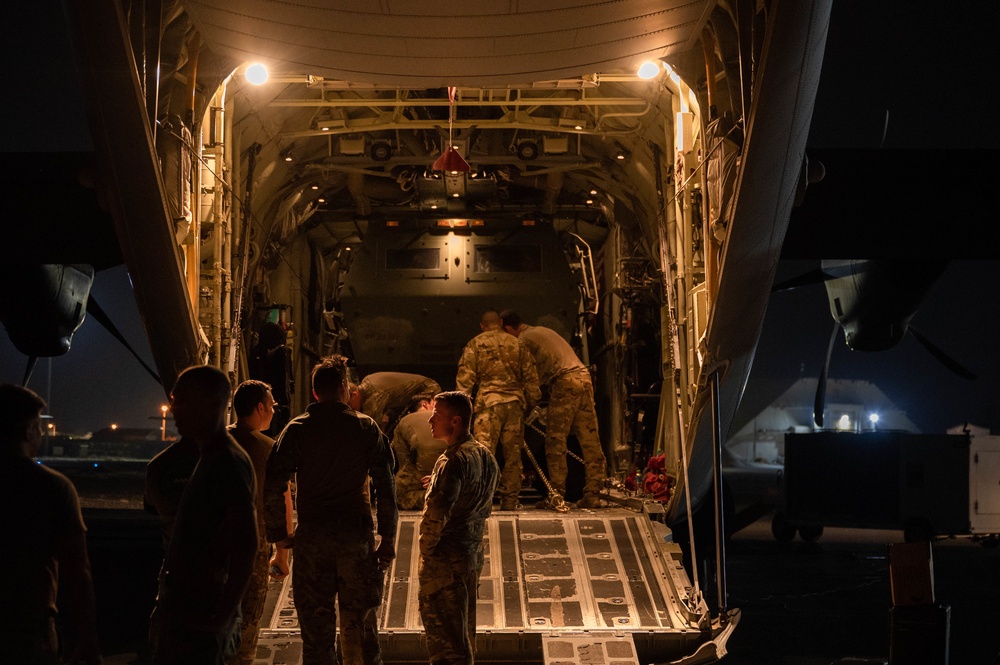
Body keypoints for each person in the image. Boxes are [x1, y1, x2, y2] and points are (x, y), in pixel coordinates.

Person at [264, 355, 398, 665]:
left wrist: (279, 536)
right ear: (344, 388)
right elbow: (387, 486)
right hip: (356, 539)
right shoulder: (366, 428)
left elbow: (273, 482)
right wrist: (388, 538)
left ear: (314, 392)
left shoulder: (297, 430)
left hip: (312, 540)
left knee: (316, 634)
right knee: (360, 631)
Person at [151, 366, 258, 665]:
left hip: (201, 614)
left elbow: (247, 545)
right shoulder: (209, 457)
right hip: (191, 609)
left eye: (182, 400)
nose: (174, 409)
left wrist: (219, 618)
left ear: (211, 404)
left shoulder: (227, 463)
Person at [0, 384, 102, 665]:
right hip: (27, 631)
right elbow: (77, 570)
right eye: (39, 428)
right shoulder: (52, 487)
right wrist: (88, 642)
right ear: (27, 431)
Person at [418, 391, 499, 665]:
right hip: (470, 556)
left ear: (455, 421)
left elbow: (437, 514)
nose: (430, 420)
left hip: (445, 563)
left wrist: (426, 549)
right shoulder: (484, 456)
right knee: (463, 636)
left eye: (436, 415)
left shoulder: (452, 461)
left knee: (447, 647)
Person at [500, 310, 607, 508]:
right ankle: (593, 494)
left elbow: (531, 379)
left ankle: (557, 494)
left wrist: (523, 404)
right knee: (589, 439)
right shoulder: (541, 331)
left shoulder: (523, 340)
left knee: (555, 441)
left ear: (508, 329)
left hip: (565, 381)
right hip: (583, 378)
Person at [226, 380, 291, 665]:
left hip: (212, 546)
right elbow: (283, 502)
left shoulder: (216, 441)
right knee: (248, 621)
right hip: (253, 546)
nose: (274, 410)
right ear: (260, 407)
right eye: (272, 405)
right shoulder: (268, 449)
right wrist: (283, 554)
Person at [455, 309, 540, 510]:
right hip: (514, 406)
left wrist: (463, 412)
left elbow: (465, 383)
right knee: (513, 456)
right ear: (501, 323)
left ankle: (482, 502)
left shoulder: (475, 344)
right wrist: (529, 405)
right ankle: (510, 501)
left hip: (488, 406)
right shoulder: (517, 343)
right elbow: (532, 381)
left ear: (482, 326)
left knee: (484, 455)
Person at [145, 435, 199, 549]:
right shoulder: (215, 461)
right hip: (209, 553)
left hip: (173, 549)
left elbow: (150, 506)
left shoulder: (157, 464)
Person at [392, 397, 447, 510]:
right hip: (450, 469)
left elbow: (404, 461)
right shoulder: (447, 416)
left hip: (423, 469)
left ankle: (434, 498)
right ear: (425, 404)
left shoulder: (405, 421)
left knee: (397, 495)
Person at [350, 371, 441, 438]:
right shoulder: (367, 382)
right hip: (407, 400)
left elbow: (370, 431)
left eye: (349, 404)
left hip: (428, 391)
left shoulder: (375, 394)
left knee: (418, 427)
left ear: (354, 395)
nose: (351, 409)